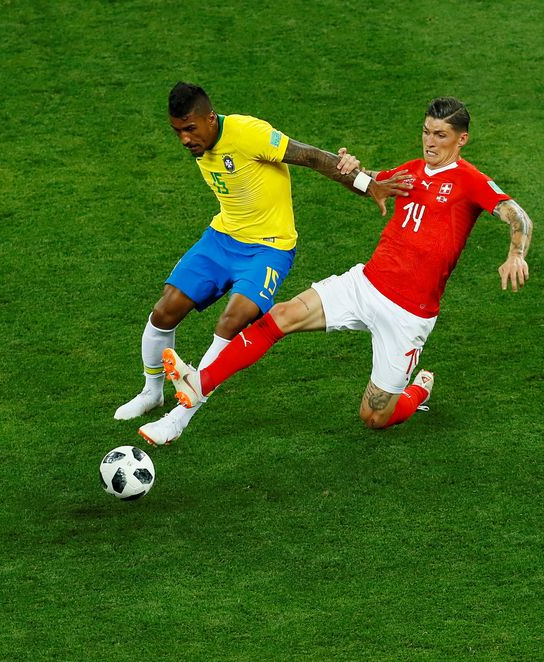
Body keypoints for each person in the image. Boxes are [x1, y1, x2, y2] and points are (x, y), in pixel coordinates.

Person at [162, 97, 534, 433]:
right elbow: (368, 184)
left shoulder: (470, 181)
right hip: (365, 286)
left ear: (461, 140)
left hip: (409, 314)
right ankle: (200, 384)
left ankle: (416, 390)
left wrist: (515, 253)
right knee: (280, 316)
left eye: (440, 135)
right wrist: (352, 167)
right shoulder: (411, 172)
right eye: (425, 132)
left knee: (374, 417)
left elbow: (516, 215)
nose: (430, 142)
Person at [119, 81, 409, 445]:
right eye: (177, 131)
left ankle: (180, 416)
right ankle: (152, 393)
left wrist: (370, 184)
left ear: (210, 118)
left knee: (232, 319)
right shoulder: (202, 144)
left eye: (190, 129)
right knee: (165, 310)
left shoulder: (248, 133)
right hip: (221, 238)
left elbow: (315, 158)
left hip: (268, 250)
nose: (185, 140)